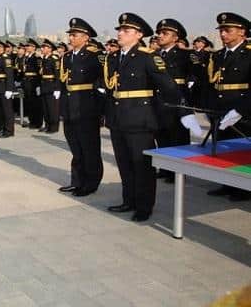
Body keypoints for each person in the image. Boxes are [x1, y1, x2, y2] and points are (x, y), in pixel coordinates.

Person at [103, 12, 200, 222]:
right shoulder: (114, 57)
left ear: (138, 35)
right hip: (118, 119)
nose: (120, 33)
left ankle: (144, 206)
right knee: (124, 163)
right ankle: (128, 200)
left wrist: (186, 112)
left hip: (140, 119)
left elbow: (170, 88)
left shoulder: (148, 57)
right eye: (119, 30)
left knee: (141, 165)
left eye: (125, 30)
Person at [205, 12, 251, 201]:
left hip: (243, 110)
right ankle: (227, 184)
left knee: (240, 150)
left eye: (227, 30)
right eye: (221, 30)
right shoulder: (218, 55)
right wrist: (209, 109)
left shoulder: (248, 54)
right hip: (220, 109)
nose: (223, 34)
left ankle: (244, 189)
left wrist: (241, 110)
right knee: (223, 148)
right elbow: (211, 85)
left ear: (242, 31)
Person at [58, 18, 104, 196]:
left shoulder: (95, 56)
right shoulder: (67, 57)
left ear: (86, 37)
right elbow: (64, 84)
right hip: (70, 108)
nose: (70, 38)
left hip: (87, 107)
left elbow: (103, 82)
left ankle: (91, 183)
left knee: (89, 148)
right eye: (70, 35)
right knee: (75, 148)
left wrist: (99, 109)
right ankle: (77, 181)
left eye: (74, 35)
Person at [153, 18, 194, 183]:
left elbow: (197, 78)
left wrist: (189, 103)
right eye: (160, 33)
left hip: (177, 102)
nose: (160, 36)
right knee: (161, 136)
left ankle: (179, 172)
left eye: (165, 33)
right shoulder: (153, 55)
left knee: (178, 138)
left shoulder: (185, 55)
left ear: (175, 38)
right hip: (158, 101)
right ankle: (166, 169)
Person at [0, 39, 15, 138]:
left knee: (7, 111)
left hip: (4, 87)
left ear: (1, 48)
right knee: (0, 110)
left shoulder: (6, 58)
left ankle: (9, 131)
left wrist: (9, 89)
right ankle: (2, 129)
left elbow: (9, 75)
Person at [38, 39, 60, 133]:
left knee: (52, 109)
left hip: (52, 86)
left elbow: (58, 75)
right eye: (42, 47)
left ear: (50, 49)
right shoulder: (44, 59)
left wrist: (57, 89)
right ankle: (47, 125)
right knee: (46, 108)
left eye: (44, 47)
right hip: (44, 86)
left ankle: (54, 127)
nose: (42, 49)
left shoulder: (54, 59)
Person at [23, 38, 43, 129]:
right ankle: (32, 121)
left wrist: (38, 85)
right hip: (27, 82)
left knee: (35, 104)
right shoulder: (27, 57)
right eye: (26, 46)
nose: (26, 47)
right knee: (29, 103)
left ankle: (37, 122)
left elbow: (39, 73)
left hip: (34, 82)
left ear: (34, 47)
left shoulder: (37, 58)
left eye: (28, 46)